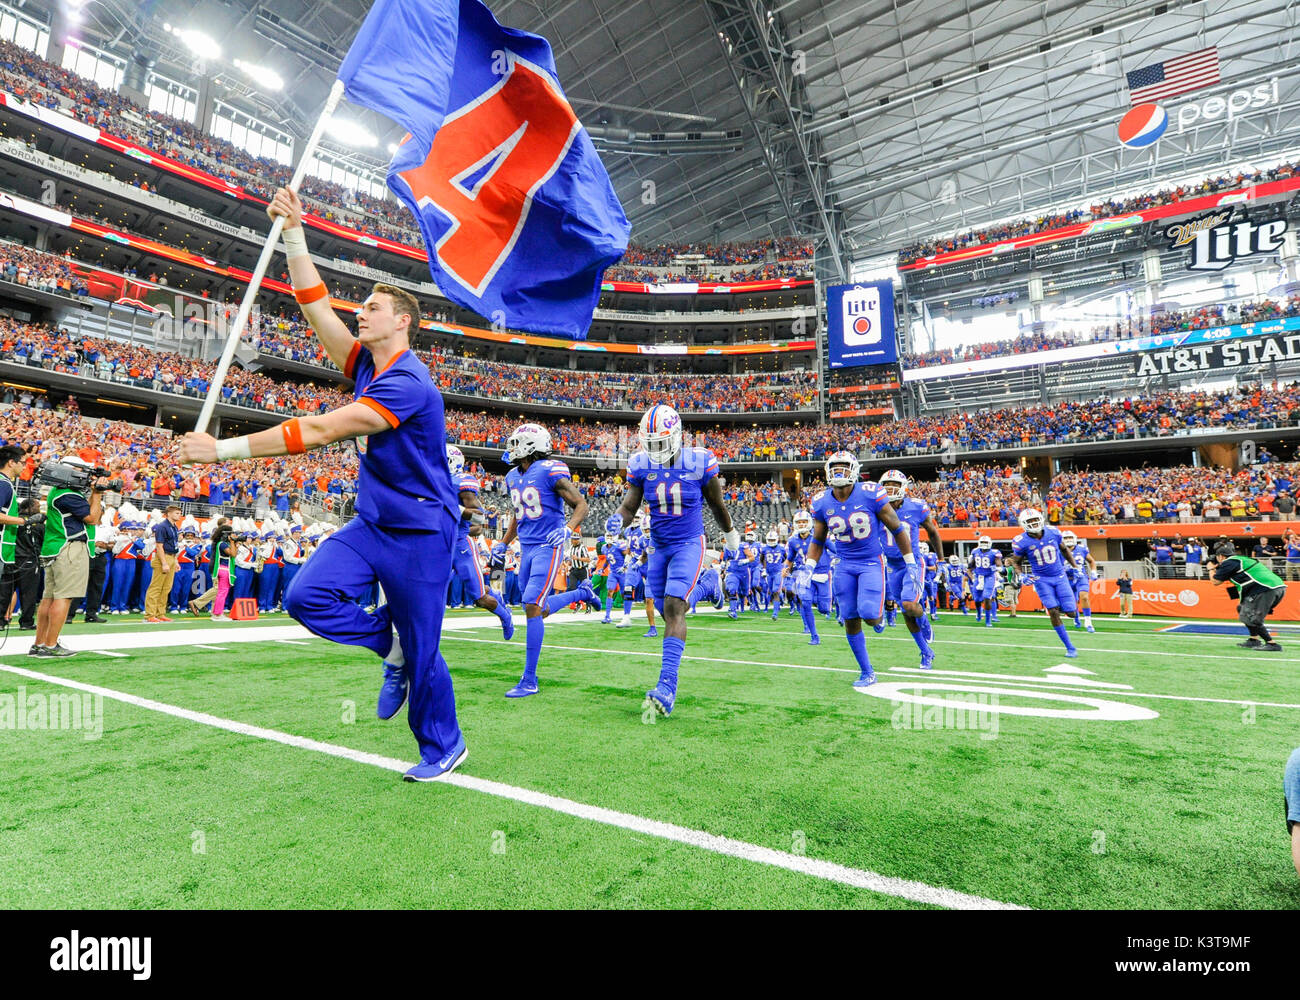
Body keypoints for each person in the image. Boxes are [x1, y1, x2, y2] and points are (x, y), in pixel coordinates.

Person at [180, 184, 466, 782]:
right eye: (360, 306)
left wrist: (222, 450)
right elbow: (314, 305)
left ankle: (443, 745)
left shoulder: (409, 383)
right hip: (373, 523)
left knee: (427, 651)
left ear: (403, 321)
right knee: (308, 597)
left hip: (421, 531)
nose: (359, 312)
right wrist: (293, 229)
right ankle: (391, 652)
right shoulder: (366, 360)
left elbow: (316, 430)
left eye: (372, 307)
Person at [615, 403, 735, 715]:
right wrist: (617, 520)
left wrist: (730, 532)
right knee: (666, 603)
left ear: (678, 436)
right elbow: (630, 505)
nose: (654, 450)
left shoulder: (699, 460)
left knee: (672, 606)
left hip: (688, 541)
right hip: (658, 543)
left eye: (660, 442)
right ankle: (708, 587)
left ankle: (667, 686)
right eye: (650, 443)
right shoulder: (640, 464)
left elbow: (716, 502)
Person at [499, 422, 595, 698]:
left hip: (547, 546)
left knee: (531, 604)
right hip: (527, 548)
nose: (513, 447)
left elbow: (581, 504)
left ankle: (529, 679)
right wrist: (504, 543)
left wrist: (567, 529)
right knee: (536, 608)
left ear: (532, 445)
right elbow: (519, 514)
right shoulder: (512, 477)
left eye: (518, 442)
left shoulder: (550, 470)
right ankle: (581, 593)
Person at [805, 451, 914, 689]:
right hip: (844, 565)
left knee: (869, 614)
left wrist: (910, 560)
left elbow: (896, 528)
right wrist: (808, 567)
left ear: (854, 470)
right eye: (835, 467)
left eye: (844, 467)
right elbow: (818, 539)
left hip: (870, 562)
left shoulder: (871, 493)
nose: (839, 472)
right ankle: (867, 671)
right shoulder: (821, 501)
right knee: (850, 619)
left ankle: (880, 617)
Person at [34, 457, 106, 657]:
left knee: (48, 598)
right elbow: (92, 519)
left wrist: (94, 493)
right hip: (69, 548)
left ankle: (39, 643)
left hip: (55, 547)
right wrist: (98, 495)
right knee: (63, 598)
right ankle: (50, 645)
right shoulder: (68, 494)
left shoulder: (57, 492)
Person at [446, 444, 513, 638]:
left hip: (459, 546)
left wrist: (454, 509)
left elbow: (479, 518)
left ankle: (505, 616)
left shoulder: (461, 481)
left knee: (479, 598)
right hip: (438, 545)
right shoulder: (435, 480)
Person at [1009, 507, 1081, 657]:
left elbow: (1065, 550)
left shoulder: (1053, 532)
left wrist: (1075, 566)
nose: (1034, 523)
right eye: (1030, 521)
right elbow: (1015, 562)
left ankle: (1069, 607)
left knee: (1071, 613)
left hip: (1060, 576)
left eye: (1035, 520)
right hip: (1041, 580)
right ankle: (1070, 647)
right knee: (1053, 611)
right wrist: (1021, 576)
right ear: (1023, 523)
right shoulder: (1021, 541)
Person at [1209, 549, 1288, 651]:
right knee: (1241, 608)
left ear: (1221, 556)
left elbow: (1215, 581)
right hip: (1276, 587)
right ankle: (1254, 639)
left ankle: (1272, 644)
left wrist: (1210, 569)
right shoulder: (1241, 560)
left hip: (1264, 588)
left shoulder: (1229, 562)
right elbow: (1241, 584)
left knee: (1253, 617)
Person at [0, 445, 38, 625]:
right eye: (22, 463)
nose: (25, 467)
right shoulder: (3, 484)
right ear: (11, 462)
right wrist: (25, 521)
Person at [144, 505, 182, 623]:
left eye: (179, 513)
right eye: (176, 513)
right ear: (169, 513)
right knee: (156, 587)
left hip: (171, 556)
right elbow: (159, 545)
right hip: (163, 556)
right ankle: (150, 614)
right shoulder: (162, 526)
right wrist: (164, 562)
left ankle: (160, 613)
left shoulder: (174, 527)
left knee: (166, 588)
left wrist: (175, 561)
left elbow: (174, 545)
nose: (179, 515)